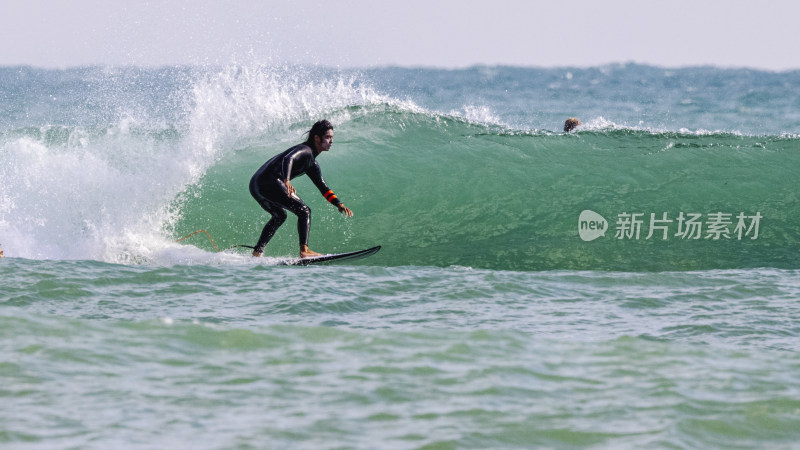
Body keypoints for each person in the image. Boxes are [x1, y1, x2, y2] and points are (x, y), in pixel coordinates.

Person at [249, 120, 353, 258]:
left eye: (332, 137)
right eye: (328, 137)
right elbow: (288, 158)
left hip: (256, 184)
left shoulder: (312, 163)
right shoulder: (305, 150)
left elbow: (322, 187)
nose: (331, 141)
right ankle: (304, 250)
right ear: (317, 138)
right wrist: (286, 180)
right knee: (304, 211)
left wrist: (338, 203)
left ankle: (257, 252)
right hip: (270, 181)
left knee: (280, 216)